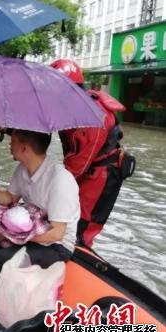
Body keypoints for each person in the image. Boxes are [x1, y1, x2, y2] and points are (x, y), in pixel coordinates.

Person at [0, 129, 80, 305]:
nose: (9, 144)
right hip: (28, 233)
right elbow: (10, 198)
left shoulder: (60, 180)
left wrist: (9, 236)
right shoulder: (23, 169)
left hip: (55, 246)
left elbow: (57, 233)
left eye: (13, 141)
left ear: (25, 148)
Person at [50, 59, 134, 247]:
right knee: (70, 211)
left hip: (102, 174)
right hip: (86, 167)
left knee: (84, 224)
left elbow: (77, 166)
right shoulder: (67, 108)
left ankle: (81, 250)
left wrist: (52, 188)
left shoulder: (93, 116)